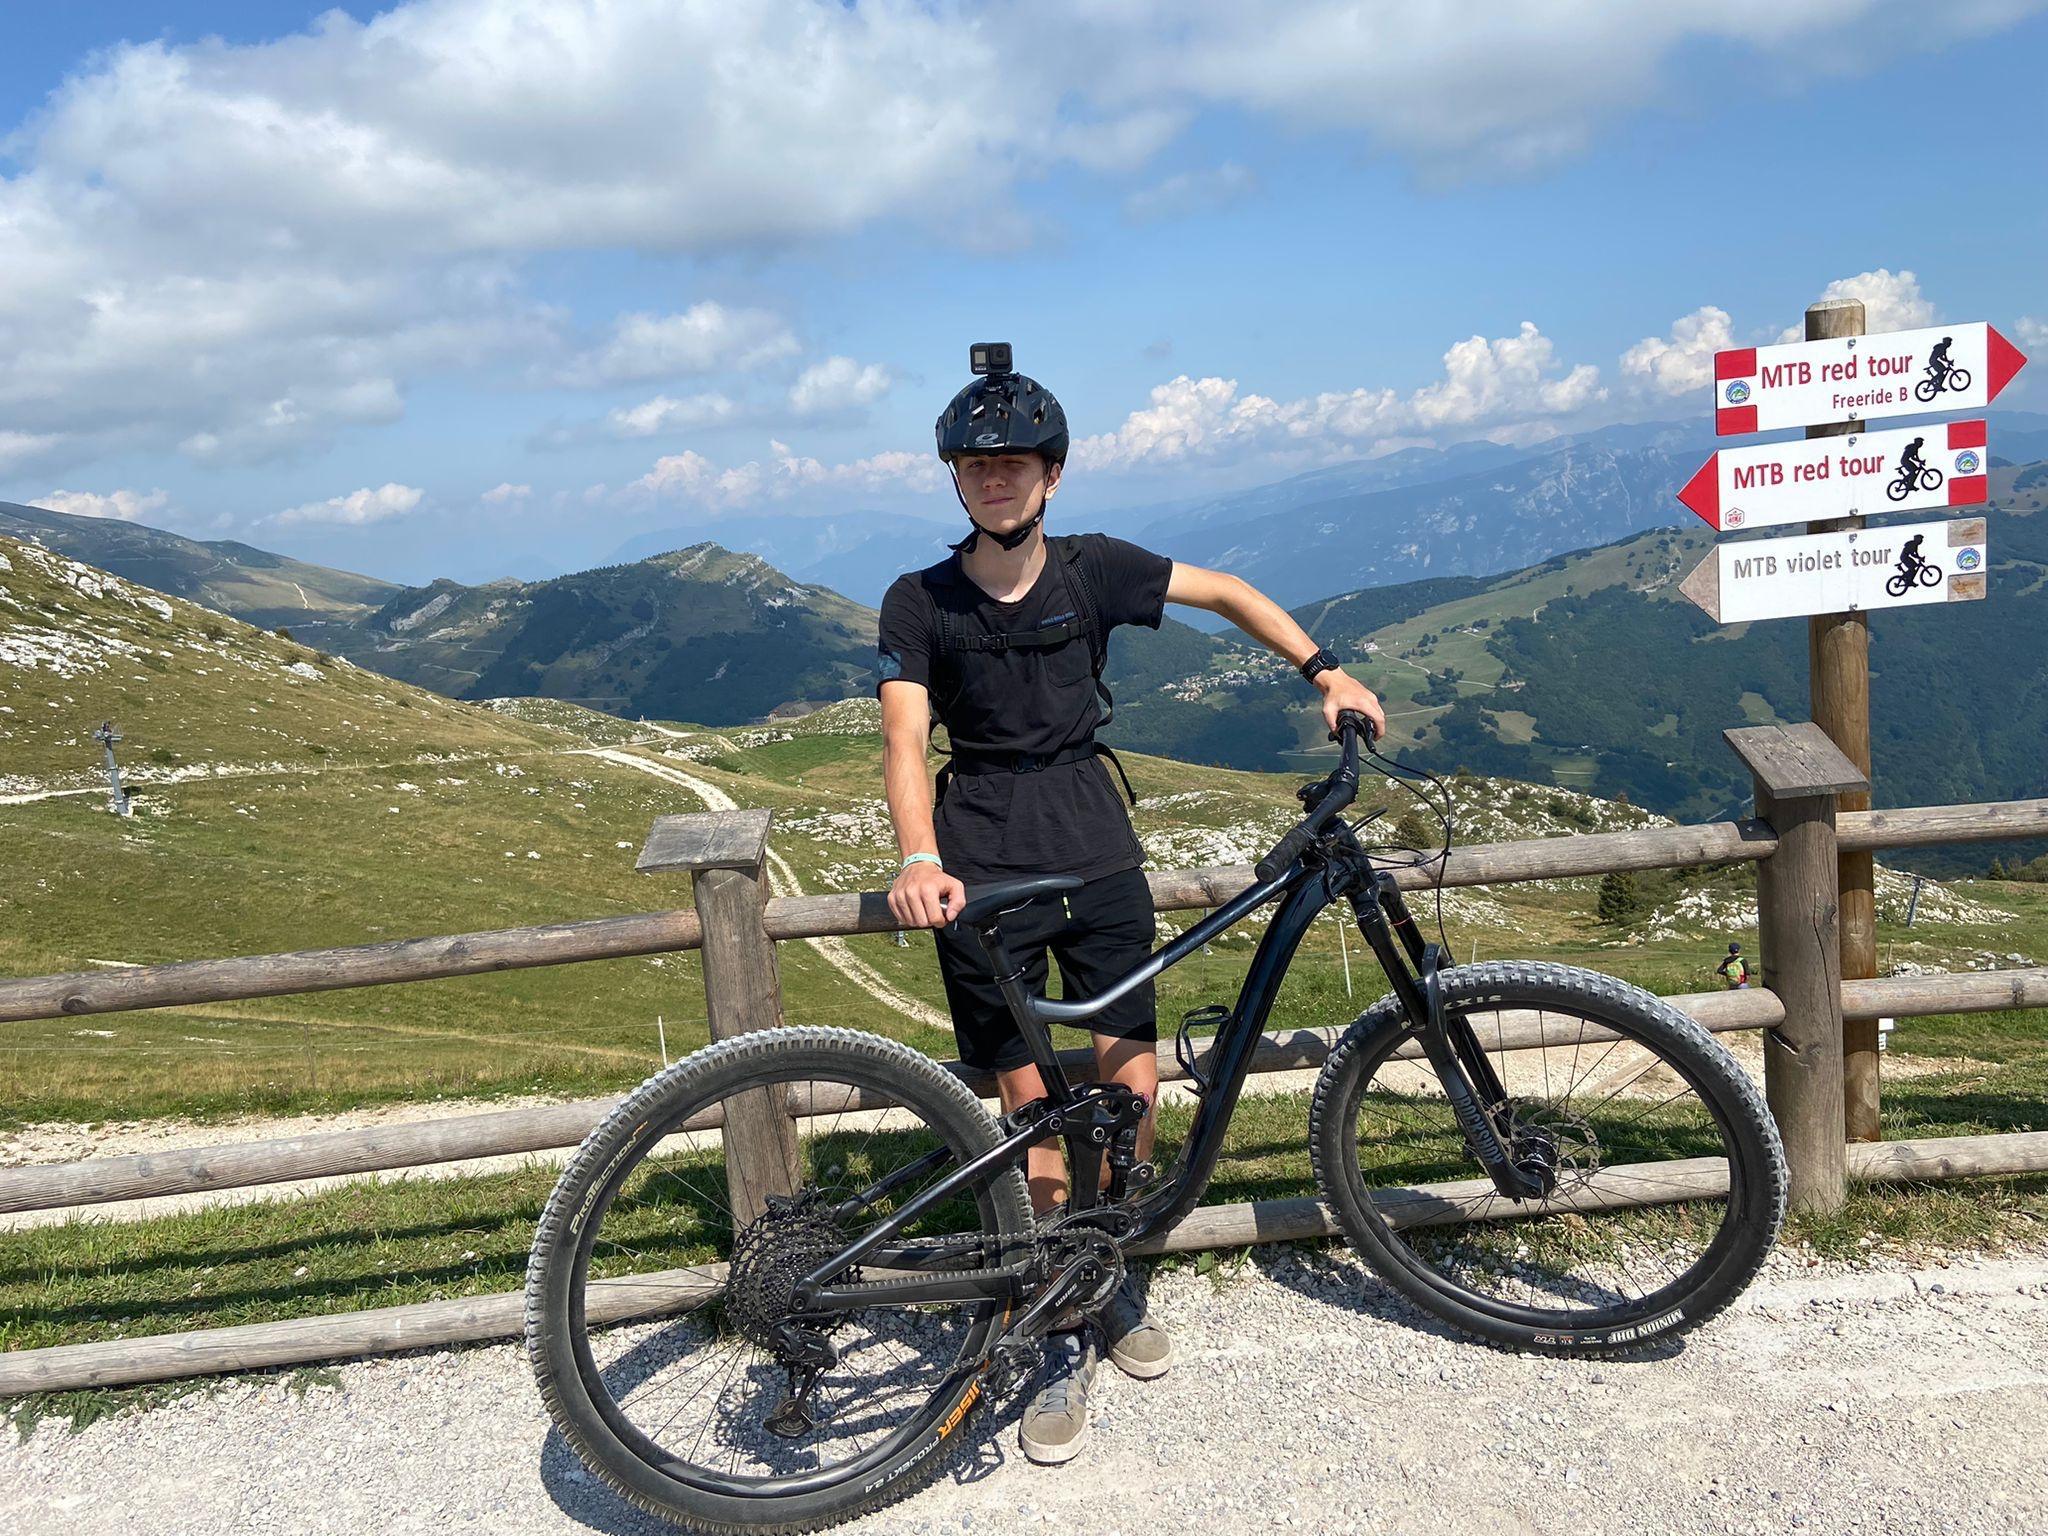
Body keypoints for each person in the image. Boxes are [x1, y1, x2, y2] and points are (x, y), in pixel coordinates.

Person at [875, 346, 1384, 1467]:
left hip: (1097, 853)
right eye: (975, 465)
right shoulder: (919, 599)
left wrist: (1326, 670)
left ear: (1050, 475)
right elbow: (905, 737)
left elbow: (1228, 593)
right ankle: (1056, 1319)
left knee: (1130, 1088)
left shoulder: (1094, 569)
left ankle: (1105, 1274)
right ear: (955, 479)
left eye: (1013, 463)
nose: (993, 478)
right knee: (1030, 1113)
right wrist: (917, 854)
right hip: (982, 863)